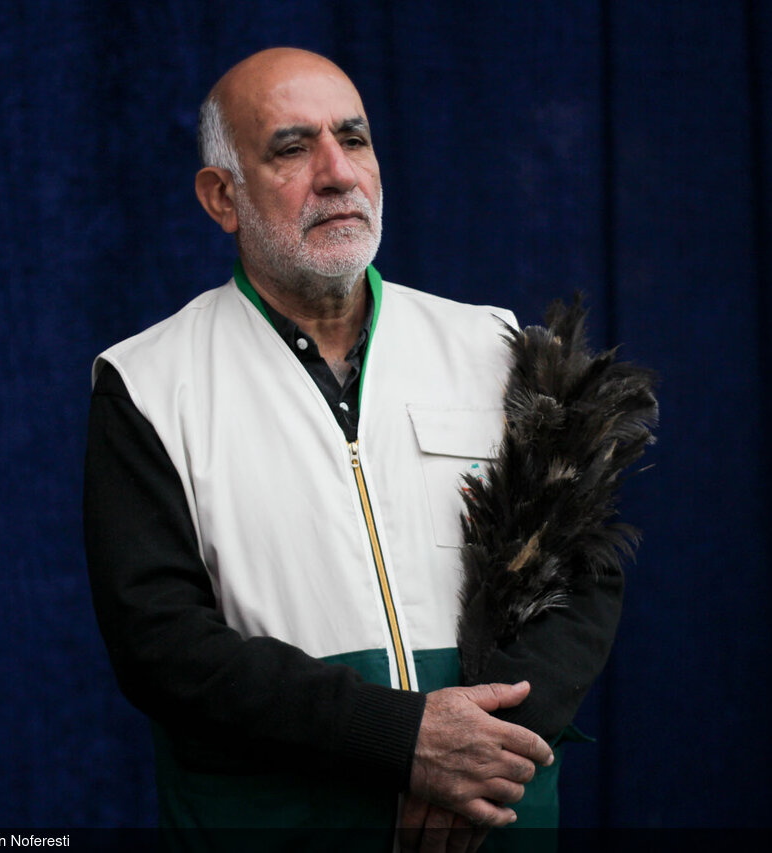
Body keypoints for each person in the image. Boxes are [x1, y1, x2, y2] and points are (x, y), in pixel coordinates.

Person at [83, 48, 623, 847]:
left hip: (490, 828)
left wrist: (480, 756)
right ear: (222, 196)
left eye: (355, 139)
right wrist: (406, 742)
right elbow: (160, 645)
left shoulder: (496, 347)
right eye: (293, 148)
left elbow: (583, 574)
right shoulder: (148, 384)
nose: (338, 173)